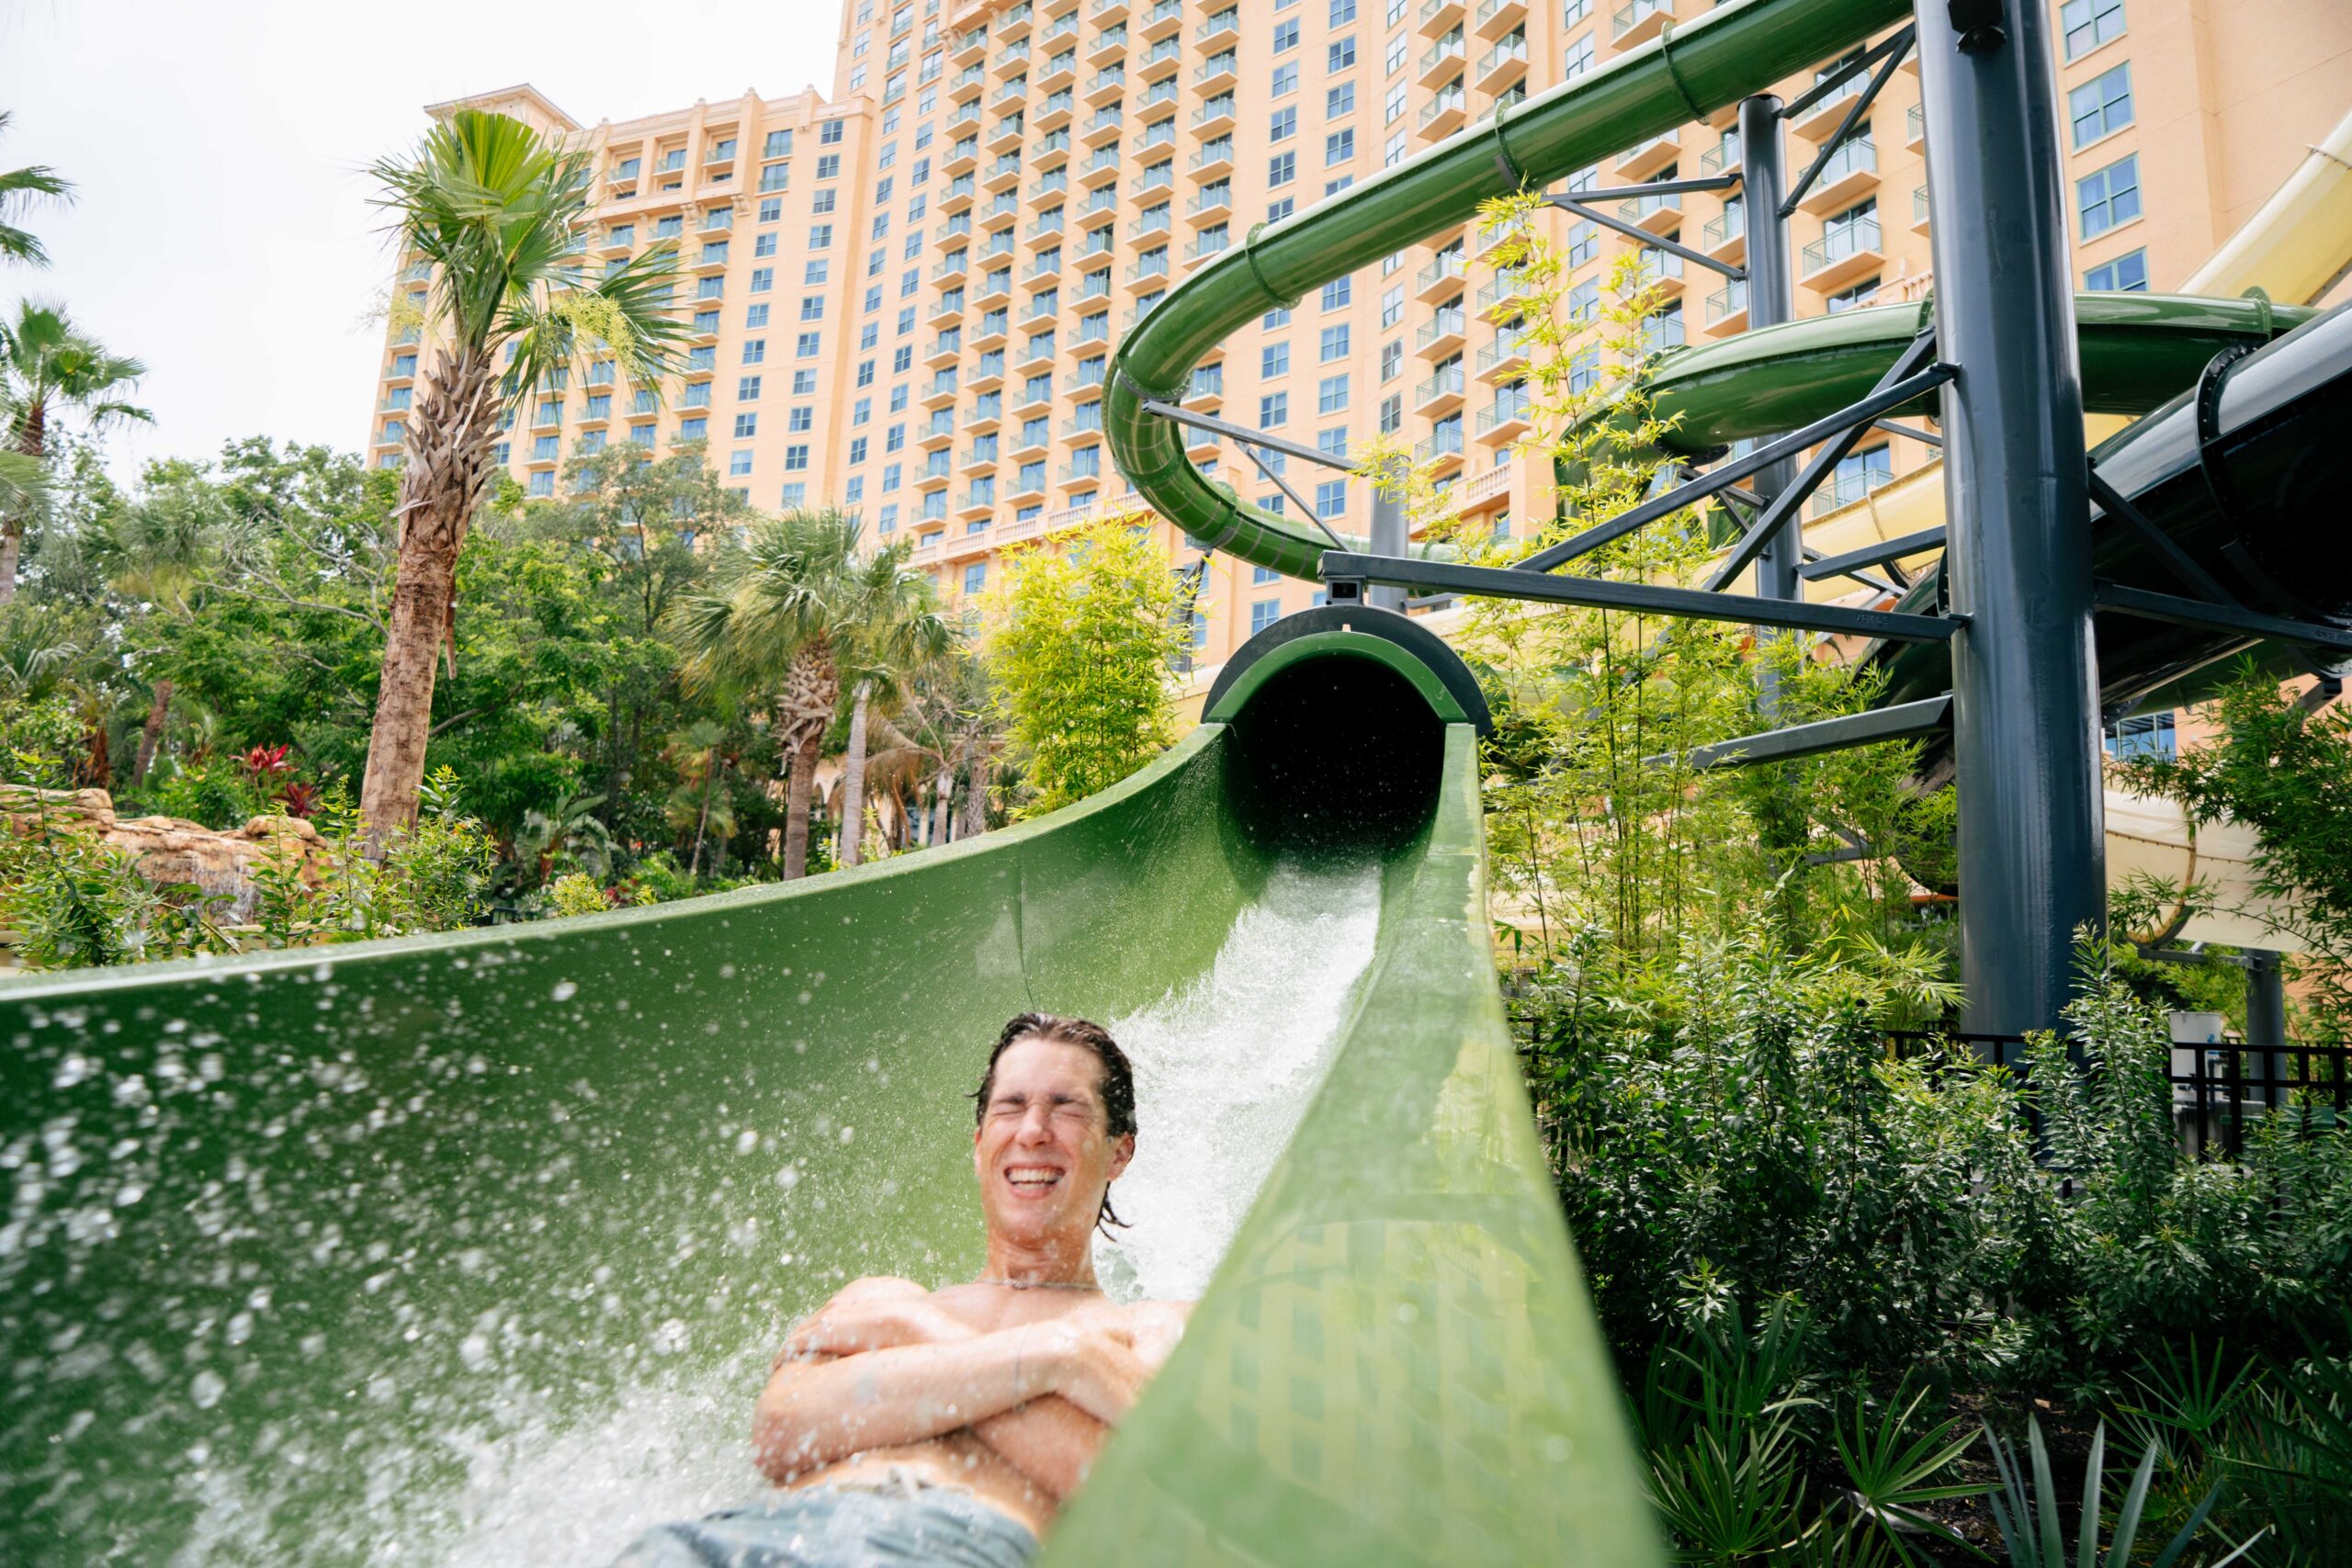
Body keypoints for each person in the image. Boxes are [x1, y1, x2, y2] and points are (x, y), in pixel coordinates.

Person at [613, 1013, 1189, 1568]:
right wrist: (1062, 1363)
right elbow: (783, 1432)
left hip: (949, 1547)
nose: (1033, 1131)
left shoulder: (1153, 1327)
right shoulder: (883, 1297)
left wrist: (917, 1344)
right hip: (732, 1539)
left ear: (1119, 1150)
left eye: (1067, 1108)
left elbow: (1143, 1495)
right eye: (1010, 1107)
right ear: (980, 1142)